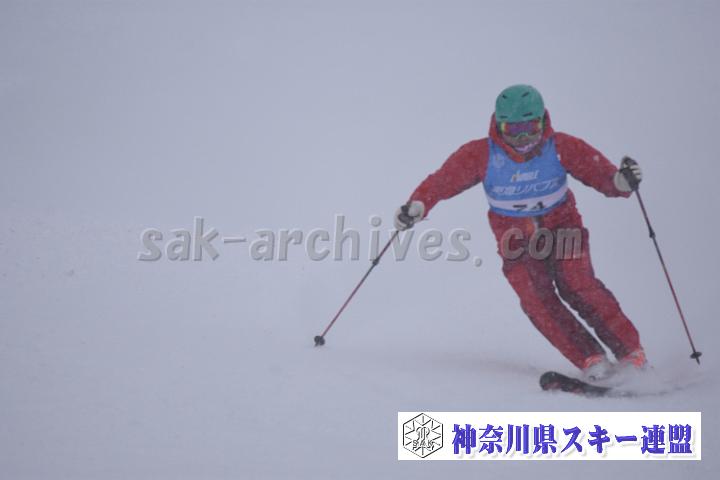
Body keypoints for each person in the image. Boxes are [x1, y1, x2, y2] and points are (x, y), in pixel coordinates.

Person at [394, 84, 645, 380]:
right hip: (515, 239)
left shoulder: (562, 147)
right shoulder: (481, 155)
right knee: (536, 298)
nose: (523, 138)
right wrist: (418, 205)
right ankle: (591, 359)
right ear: (498, 126)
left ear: (543, 121)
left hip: (563, 227)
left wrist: (621, 182)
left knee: (577, 284)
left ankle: (630, 353)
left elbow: (603, 176)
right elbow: (442, 182)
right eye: (513, 129)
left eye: (530, 128)